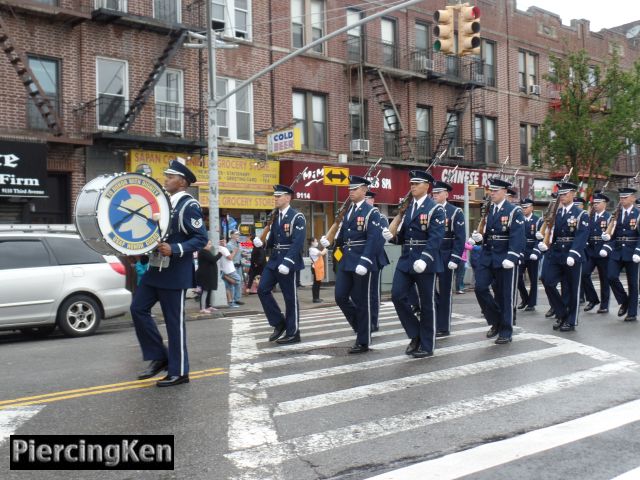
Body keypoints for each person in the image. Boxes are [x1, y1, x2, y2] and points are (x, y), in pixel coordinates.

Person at [130, 158, 208, 387]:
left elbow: (201, 238)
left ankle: (180, 371)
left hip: (175, 273)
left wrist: (175, 249)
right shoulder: (164, 204)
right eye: (166, 175)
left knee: (174, 323)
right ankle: (160, 356)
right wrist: (141, 253)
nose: (166, 179)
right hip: (155, 269)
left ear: (182, 182)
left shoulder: (188, 205)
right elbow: (156, 235)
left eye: (171, 176)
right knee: (137, 309)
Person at [384, 170, 445, 358]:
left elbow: (436, 238)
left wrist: (425, 259)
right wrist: (392, 237)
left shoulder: (436, 209)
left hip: (424, 261)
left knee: (427, 304)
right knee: (397, 295)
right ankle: (415, 334)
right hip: (406, 260)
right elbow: (404, 236)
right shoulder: (409, 208)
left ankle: (427, 345)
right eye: (411, 183)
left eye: (417, 183)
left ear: (427, 186)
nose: (413, 186)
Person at [321, 175, 385, 354]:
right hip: (346, 262)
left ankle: (363, 341)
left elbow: (373, 239)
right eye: (350, 189)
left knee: (362, 301)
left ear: (364, 190)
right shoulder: (349, 211)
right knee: (340, 296)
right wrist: (331, 243)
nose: (351, 192)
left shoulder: (372, 212)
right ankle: (360, 326)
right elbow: (343, 238)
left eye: (355, 189)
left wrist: (365, 261)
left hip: (361, 262)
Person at [470, 177, 525, 344]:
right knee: (480, 287)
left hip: (505, 257)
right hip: (488, 256)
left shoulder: (514, 211)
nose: (491, 193)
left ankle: (506, 330)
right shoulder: (488, 210)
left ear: (504, 192)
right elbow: (488, 232)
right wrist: (480, 238)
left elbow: (518, 237)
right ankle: (496, 320)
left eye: (495, 191)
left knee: (505, 295)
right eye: (491, 190)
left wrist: (512, 256)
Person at [253, 184, 306, 344]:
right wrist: (261, 243)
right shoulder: (275, 216)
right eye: (275, 196)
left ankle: (293, 333)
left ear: (288, 198)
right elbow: (274, 240)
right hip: (275, 260)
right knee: (262, 289)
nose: (275, 198)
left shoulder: (297, 217)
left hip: (288, 262)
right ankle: (279, 323)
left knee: (290, 298)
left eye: (279, 196)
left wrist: (288, 261)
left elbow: (298, 242)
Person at [538, 181, 589, 331]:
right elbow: (553, 234)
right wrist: (546, 246)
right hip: (556, 254)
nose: (562, 196)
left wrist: (573, 253)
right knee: (547, 281)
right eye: (560, 194)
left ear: (573, 194)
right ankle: (562, 313)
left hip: (572, 255)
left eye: (565, 193)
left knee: (572, 289)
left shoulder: (581, 214)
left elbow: (581, 235)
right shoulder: (557, 213)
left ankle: (571, 321)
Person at [430, 178, 465, 337]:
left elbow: (460, 237)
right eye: (433, 193)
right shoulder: (429, 209)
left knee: (445, 291)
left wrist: (455, 258)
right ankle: (435, 316)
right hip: (431, 254)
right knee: (427, 289)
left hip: (446, 254)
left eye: (438, 192)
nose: (435, 195)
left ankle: (443, 326)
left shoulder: (454, 212)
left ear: (446, 194)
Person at [600, 187, 640, 322]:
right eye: (621, 198)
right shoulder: (616, 214)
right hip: (617, 251)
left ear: (633, 198)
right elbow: (612, 235)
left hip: (632, 251)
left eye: (625, 197)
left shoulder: (638, 214)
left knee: (632, 284)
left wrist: (638, 251)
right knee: (610, 276)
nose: (622, 200)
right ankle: (624, 301)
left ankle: (632, 313)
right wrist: (607, 239)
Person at [365, 190, 390, 332]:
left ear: (372, 201)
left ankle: (374, 321)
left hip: (375, 258)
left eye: (367, 198)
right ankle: (363, 319)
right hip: (359, 259)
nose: (365, 201)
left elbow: (379, 241)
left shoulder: (381, 218)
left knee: (373, 293)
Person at [582, 191, 611, 314]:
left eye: (598, 203)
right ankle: (593, 299)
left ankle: (604, 305)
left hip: (603, 251)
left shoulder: (609, 217)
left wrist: (607, 247)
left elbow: (612, 235)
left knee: (604, 279)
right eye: (594, 203)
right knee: (584, 274)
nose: (595, 205)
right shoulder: (590, 217)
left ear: (604, 204)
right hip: (591, 251)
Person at [517, 198, 542, 312]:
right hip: (521, 252)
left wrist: (536, 251)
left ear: (531, 207)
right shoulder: (519, 219)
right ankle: (525, 298)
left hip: (532, 253)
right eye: (522, 207)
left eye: (526, 207)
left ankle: (531, 303)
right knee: (517, 278)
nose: (524, 209)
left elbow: (540, 238)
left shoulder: (537, 220)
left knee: (533, 279)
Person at [196, 240, 222, 313]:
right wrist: (220, 254)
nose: (210, 246)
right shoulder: (203, 252)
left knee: (209, 290)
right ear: (204, 245)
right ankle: (202, 308)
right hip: (205, 275)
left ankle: (208, 306)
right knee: (205, 291)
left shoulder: (206, 252)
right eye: (209, 244)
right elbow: (213, 259)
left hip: (208, 275)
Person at [218, 239, 242, 308]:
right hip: (229, 270)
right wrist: (234, 251)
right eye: (221, 241)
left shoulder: (219, 248)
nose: (223, 242)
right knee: (238, 281)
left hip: (225, 269)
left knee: (229, 287)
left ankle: (231, 302)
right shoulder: (223, 248)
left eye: (224, 241)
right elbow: (230, 258)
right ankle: (225, 276)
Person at [226, 230, 244, 305]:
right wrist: (235, 252)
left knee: (239, 282)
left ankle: (237, 299)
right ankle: (232, 299)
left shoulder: (239, 244)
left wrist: (244, 254)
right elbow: (228, 257)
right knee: (233, 282)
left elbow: (241, 253)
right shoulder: (229, 245)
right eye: (236, 234)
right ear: (231, 235)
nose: (238, 236)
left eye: (238, 235)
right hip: (232, 266)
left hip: (239, 265)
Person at [309, 238, 327, 303]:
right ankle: (315, 298)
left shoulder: (314, 249)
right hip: (316, 268)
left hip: (317, 268)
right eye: (316, 241)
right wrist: (326, 247)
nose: (317, 242)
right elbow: (321, 253)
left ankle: (317, 297)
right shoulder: (312, 249)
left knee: (318, 283)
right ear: (312, 242)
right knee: (316, 283)